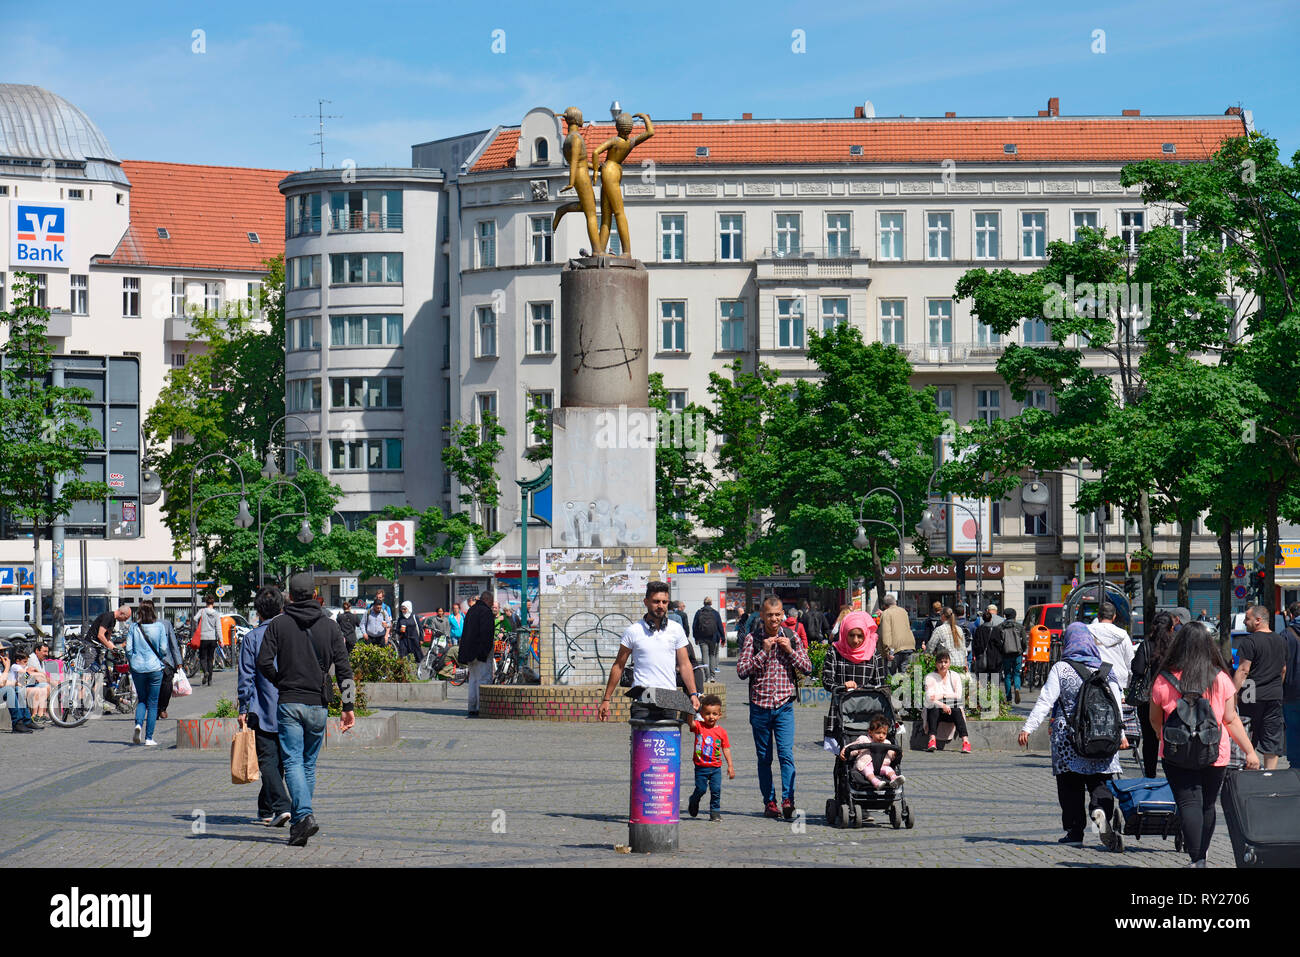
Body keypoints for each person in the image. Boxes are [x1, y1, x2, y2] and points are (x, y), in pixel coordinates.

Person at [257, 572, 355, 847]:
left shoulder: (279, 624)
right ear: (314, 595)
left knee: (292, 763)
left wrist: (280, 680)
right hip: (318, 704)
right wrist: (348, 706)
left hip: (289, 701)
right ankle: (301, 824)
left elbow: (264, 661)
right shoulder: (331, 626)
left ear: (290, 596)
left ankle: (303, 816)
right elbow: (344, 669)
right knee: (308, 764)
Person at [1150, 621, 1259, 867]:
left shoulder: (1164, 679)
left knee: (1188, 802)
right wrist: (1249, 751)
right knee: (1208, 804)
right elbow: (1231, 720)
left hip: (1176, 752)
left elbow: (1155, 720)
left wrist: (1163, 737)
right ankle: (1202, 856)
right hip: (1214, 752)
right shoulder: (1220, 678)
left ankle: (1197, 858)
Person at [1017, 623, 1127, 850]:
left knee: (1070, 786)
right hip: (1103, 736)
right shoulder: (1107, 669)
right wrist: (1122, 734)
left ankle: (1075, 832)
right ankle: (1100, 818)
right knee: (1100, 782)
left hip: (1069, 739)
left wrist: (1028, 728)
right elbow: (1116, 706)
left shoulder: (1062, 668)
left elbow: (1046, 700)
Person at [736, 595, 812, 820]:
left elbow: (808, 668)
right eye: (769, 615)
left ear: (783, 615)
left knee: (786, 755)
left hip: (784, 706)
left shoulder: (792, 636)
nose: (774, 619)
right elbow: (742, 671)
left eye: (778, 614)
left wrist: (790, 650)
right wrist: (763, 652)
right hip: (759, 707)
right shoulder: (753, 638)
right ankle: (769, 802)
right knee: (764, 758)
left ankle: (788, 800)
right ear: (762, 615)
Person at [238, 585, 292, 828]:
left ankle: (281, 806)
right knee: (278, 761)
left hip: (262, 707)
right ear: (281, 607)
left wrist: (243, 706)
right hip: (292, 704)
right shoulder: (293, 632)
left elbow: (246, 676)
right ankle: (266, 808)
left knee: (268, 760)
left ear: (258, 611)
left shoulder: (252, 638)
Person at [1235, 603, 1288, 770]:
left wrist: (1233, 694)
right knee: (1272, 737)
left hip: (1251, 695)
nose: (1244, 622)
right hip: (1275, 695)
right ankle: (1269, 777)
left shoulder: (1249, 641)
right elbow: (1283, 669)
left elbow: (1243, 670)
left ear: (1258, 620)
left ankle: (1249, 773)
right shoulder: (1281, 640)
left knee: (1247, 734)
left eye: (1247, 619)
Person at [1128, 611, 1175, 778]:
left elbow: (1137, 669)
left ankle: (1150, 775)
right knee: (1172, 736)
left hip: (1148, 698)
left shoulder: (1146, 645)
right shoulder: (1175, 648)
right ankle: (1172, 774)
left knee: (1149, 739)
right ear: (1171, 628)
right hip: (1171, 698)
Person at [126, 601, 167, 746]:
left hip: (138, 668)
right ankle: (149, 738)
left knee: (142, 699)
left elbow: (129, 650)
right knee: (153, 703)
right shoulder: (160, 627)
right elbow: (163, 649)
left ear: (139, 612)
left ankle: (138, 725)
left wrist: (133, 661)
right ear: (154, 611)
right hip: (155, 667)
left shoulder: (134, 627)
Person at [686, 694, 733, 822]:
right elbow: (690, 722)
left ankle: (715, 812)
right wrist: (691, 711)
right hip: (701, 767)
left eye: (714, 714)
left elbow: (726, 748)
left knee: (716, 790)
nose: (711, 717)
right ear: (701, 713)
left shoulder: (721, 732)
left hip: (716, 767)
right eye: (707, 714)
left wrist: (730, 766)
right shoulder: (699, 726)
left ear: (719, 715)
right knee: (701, 789)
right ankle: (694, 800)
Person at [821, 610, 887, 694]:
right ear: (844, 634)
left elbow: (880, 685)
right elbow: (827, 681)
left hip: (867, 705)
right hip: (841, 704)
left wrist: (861, 689)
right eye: (851, 635)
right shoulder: (834, 652)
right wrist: (842, 687)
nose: (855, 640)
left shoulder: (874, 655)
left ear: (866, 635)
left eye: (860, 636)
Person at [923, 651, 971, 753]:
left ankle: (966, 741)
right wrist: (942, 704)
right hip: (936, 710)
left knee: (956, 708)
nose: (943, 664)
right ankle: (932, 740)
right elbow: (929, 698)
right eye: (940, 662)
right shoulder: (930, 677)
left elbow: (958, 696)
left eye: (945, 662)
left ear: (949, 663)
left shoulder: (954, 676)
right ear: (936, 664)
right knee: (933, 707)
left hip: (951, 710)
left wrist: (942, 696)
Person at [460, 590, 497, 717]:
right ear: (487, 600)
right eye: (491, 602)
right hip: (481, 653)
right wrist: (484, 652)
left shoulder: (471, 611)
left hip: (469, 652)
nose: (492, 605)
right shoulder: (486, 612)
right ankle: (482, 706)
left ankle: (472, 706)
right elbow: (487, 635)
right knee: (483, 678)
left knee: (473, 679)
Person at [89, 603, 132, 709]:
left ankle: (95, 701)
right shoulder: (108, 617)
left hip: (98, 649)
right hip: (90, 647)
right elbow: (100, 635)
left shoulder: (113, 621)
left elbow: (107, 639)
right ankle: (82, 701)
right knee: (89, 674)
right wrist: (113, 649)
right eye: (125, 618)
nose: (125, 620)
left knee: (100, 675)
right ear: (121, 613)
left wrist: (116, 650)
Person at [842, 714, 904, 789]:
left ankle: (894, 779)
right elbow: (853, 747)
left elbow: (891, 755)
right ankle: (876, 782)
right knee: (868, 771)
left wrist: (896, 753)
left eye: (884, 733)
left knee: (889, 769)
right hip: (865, 765)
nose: (881, 736)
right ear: (870, 732)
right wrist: (844, 751)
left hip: (882, 766)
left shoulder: (887, 743)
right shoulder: (864, 740)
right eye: (878, 733)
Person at [147, 602, 184, 720]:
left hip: (166, 661)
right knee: (152, 686)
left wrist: (178, 661)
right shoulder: (140, 626)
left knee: (167, 687)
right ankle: (155, 709)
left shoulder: (166, 624)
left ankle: (162, 707)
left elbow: (173, 644)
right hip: (149, 662)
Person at [1088, 601, 1135, 690]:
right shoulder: (1123, 635)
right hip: (1118, 681)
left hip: (1094, 679)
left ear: (1098, 616)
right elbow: (1130, 662)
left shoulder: (1087, 632)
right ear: (1114, 617)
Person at [2, 646, 39, 732]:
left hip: (13, 686)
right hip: (9, 687)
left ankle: (27, 720)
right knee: (18, 690)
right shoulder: (15, 666)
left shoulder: (21, 666)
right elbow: (24, 674)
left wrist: (30, 674)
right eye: (24, 662)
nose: (26, 664)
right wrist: (29, 672)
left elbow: (23, 679)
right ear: (18, 661)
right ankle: (21, 722)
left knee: (20, 689)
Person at [1282, 601, 1300, 768]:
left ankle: (1296, 765)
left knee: (1293, 728)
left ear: (1291, 615)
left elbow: (1282, 666)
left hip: (1292, 689)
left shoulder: (1286, 635)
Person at [997, 608, 1028, 704]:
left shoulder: (1000, 627)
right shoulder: (1019, 626)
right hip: (1017, 653)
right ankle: (1017, 688)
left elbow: (998, 642)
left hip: (1005, 653)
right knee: (1017, 674)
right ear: (1014, 616)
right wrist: (1022, 650)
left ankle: (1009, 697)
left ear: (1005, 616)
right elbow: (1024, 642)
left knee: (1007, 675)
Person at [877, 594, 911, 673]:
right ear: (895, 602)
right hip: (908, 647)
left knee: (890, 678)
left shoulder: (886, 614)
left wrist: (888, 652)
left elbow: (885, 634)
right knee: (905, 677)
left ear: (885, 605)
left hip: (894, 650)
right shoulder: (903, 611)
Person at [692, 596, 725, 680]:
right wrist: (723, 638)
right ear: (711, 603)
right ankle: (713, 676)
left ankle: (707, 677)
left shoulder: (699, 612)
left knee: (705, 656)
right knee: (712, 656)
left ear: (704, 603)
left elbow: (694, 626)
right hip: (713, 638)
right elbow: (720, 626)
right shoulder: (715, 613)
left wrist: (696, 637)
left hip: (702, 638)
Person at [195, 594, 221, 687]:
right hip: (213, 638)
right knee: (210, 659)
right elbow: (218, 628)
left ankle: (205, 671)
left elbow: (195, 618)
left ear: (206, 602)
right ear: (213, 603)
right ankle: (210, 680)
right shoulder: (216, 613)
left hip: (203, 637)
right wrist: (221, 639)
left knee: (203, 658)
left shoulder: (202, 611)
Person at [22, 639, 51, 722]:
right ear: (37, 650)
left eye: (47, 652)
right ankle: (37, 715)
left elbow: (44, 677)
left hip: (32, 684)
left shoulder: (41, 661)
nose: (47, 654)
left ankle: (41, 714)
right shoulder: (32, 659)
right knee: (45, 687)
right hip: (24, 684)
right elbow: (40, 678)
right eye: (44, 651)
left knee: (46, 686)